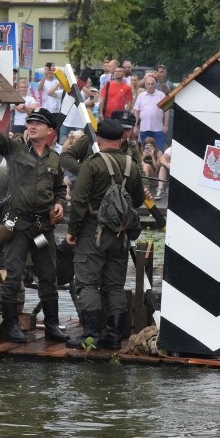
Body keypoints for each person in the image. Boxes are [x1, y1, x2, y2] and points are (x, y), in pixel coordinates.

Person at [0, 106, 69, 344]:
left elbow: (59, 188)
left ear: (50, 130)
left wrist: (60, 203)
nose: (32, 125)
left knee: (49, 275)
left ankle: (52, 324)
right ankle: (10, 325)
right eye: (30, 122)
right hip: (16, 225)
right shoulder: (15, 148)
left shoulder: (54, 159)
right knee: (12, 275)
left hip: (42, 228)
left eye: (38, 123)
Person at [65, 118, 144, 350]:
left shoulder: (93, 163)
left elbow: (79, 200)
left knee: (88, 284)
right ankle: (113, 336)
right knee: (114, 286)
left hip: (92, 233)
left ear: (98, 138)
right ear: (121, 139)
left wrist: (72, 230)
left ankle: (91, 336)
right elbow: (137, 200)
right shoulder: (132, 165)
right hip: (120, 236)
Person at [60, 110, 142, 179]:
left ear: (132, 130)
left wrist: (144, 188)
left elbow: (140, 173)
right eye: (120, 128)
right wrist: (86, 171)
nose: (122, 132)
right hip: (88, 188)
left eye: (127, 129)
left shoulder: (131, 148)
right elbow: (65, 157)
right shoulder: (90, 139)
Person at [133, 74, 168, 151]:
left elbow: (166, 110)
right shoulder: (141, 96)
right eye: (148, 84)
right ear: (145, 85)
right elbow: (136, 112)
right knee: (146, 150)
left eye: (152, 84)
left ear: (155, 84)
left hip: (158, 128)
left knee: (159, 150)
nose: (150, 86)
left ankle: (158, 163)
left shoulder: (161, 95)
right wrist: (135, 126)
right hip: (144, 128)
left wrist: (165, 125)